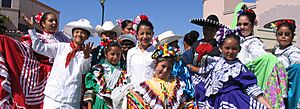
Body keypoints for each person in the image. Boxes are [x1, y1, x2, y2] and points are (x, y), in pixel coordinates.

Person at [0, 12, 70, 108]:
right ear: (43, 24)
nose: (54, 23)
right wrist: (4, 42)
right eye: (51, 21)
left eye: (56, 21)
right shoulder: (38, 37)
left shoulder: (63, 37)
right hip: (46, 74)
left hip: (63, 73)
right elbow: (25, 50)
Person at [26, 18, 94, 108]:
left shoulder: (86, 54)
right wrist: (31, 29)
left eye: (83, 33)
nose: (79, 34)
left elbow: (84, 70)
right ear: (73, 34)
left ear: (87, 37)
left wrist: (86, 56)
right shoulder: (60, 47)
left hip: (71, 99)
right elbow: (39, 48)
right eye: (77, 32)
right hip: (53, 96)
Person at [196, 27, 272, 109]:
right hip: (216, 102)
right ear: (220, 48)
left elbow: (251, 88)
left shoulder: (239, 68)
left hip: (234, 101)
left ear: (239, 49)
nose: (231, 52)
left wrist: (267, 106)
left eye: (234, 48)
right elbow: (204, 77)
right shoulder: (215, 64)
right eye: (227, 48)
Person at [236, 8, 287, 108]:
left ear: (252, 25)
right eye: (239, 24)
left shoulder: (254, 42)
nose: (242, 27)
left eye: (246, 24)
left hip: (247, 79)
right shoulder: (237, 40)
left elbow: (262, 58)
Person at [127, 44, 191, 109]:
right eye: (163, 66)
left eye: (169, 68)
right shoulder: (146, 86)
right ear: (156, 64)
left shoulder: (176, 84)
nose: (165, 70)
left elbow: (181, 103)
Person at [84, 41, 127, 109]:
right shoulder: (98, 69)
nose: (115, 57)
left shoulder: (123, 75)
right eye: (112, 54)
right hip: (98, 104)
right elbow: (90, 90)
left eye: (118, 54)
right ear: (106, 54)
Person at [272, 19, 300, 109]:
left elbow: (296, 66)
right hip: (276, 81)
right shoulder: (275, 51)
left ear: (292, 36)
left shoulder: (293, 51)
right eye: (280, 34)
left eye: (287, 34)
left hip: (289, 81)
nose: (283, 37)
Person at [126, 15, 156, 85]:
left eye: (148, 34)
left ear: (152, 34)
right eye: (142, 34)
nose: (145, 37)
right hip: (134, 92)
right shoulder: (131, 52)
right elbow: (129, 74)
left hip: (151, 92)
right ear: (137, 35)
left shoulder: (156, 52)